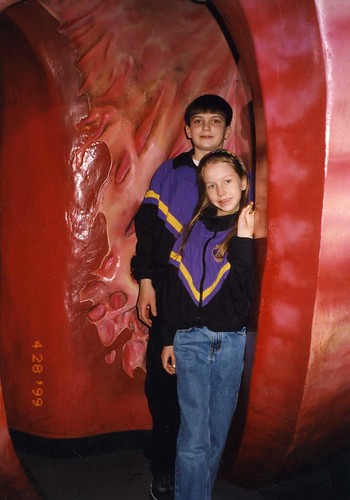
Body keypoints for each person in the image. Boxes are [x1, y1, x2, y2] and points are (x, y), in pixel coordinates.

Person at [132, 95, 233, 500]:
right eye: (198, 121)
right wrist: (144, 281)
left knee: (213, 389)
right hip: (171, 294)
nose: (207, 128)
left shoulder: (233, 174)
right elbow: (150, 231)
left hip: (220, 298)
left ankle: (202, 467)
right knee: (164, 384)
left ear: (227, 131)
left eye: (215, 121)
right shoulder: (169, 174)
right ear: (187, 130)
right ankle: (164, 467)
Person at [160, 149, 254, 500]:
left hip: (231, 343)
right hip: (191, 342)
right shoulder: (191, 230)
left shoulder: (251, 226)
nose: (221, 191)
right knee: (194, 437)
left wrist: (243, 238)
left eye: (227, 181)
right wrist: (169, 338)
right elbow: (173, 287)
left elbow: (245, 293)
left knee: (216, 437)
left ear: (243, 181)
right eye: (211, 185)